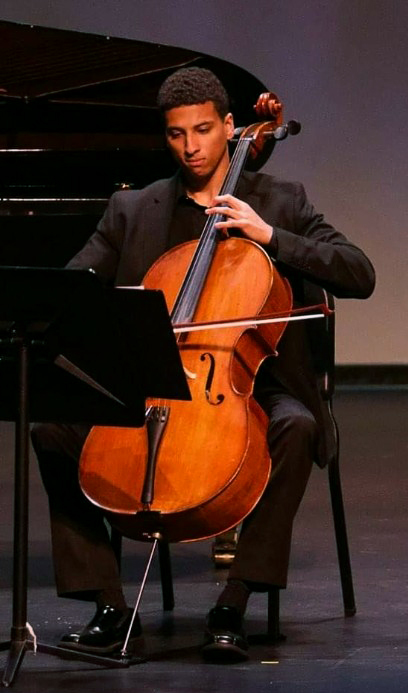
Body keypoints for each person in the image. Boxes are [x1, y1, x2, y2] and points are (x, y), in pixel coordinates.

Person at [31, 67, 375, 663]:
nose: (190, 147)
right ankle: (109, 603)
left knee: (296, 426)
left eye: (203, 130)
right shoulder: (133, 209)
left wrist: (271, 236)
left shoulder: (279, 201)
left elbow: (359, 272)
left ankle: (233, 602)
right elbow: (71, 289)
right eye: (175, 134)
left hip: (253, 385)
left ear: (229, 128)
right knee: (53, 426)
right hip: (153, 380)